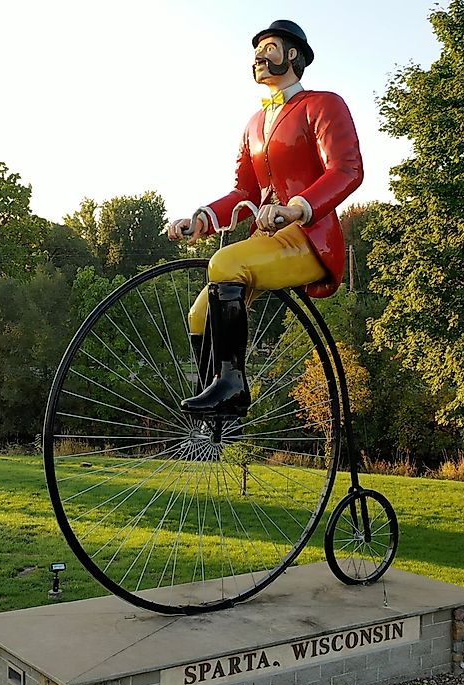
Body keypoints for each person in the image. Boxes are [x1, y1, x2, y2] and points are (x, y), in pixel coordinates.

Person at [168, 19, 364, 417]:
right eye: (257, 50)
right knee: (200, 313)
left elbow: (347, 169)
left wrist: (298, 207)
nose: (259, 56)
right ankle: (218, 412)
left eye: (269, 47)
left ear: (293, 54)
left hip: (309, 238)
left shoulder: (323, 105)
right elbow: (245, 193)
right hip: (267, 242)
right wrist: (203, 219)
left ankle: (234, 387)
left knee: (224, 263)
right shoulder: (254, 125)